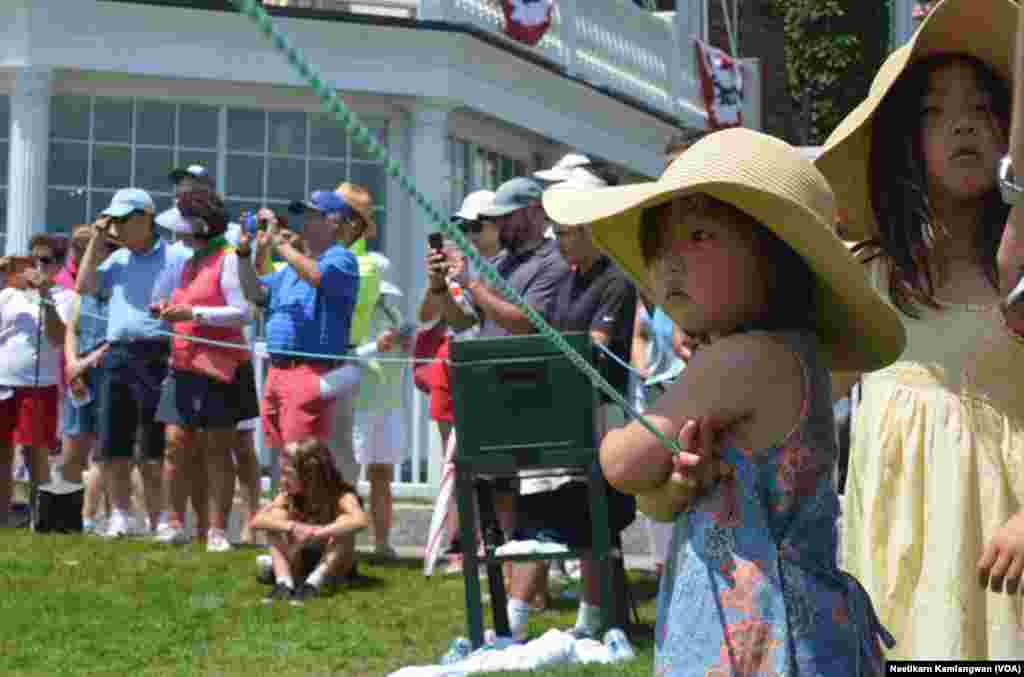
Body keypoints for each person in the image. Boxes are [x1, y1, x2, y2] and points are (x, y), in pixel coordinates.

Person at [545, 128, 906, 675]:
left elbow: (624, 464)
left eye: (698, 237)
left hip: (757, 635)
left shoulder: (737, 360)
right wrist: (679, 483)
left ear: (776, 257)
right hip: (806, 625)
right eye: (660, 243)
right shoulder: (795, 354)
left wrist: (613, 439)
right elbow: (672, 494)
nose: (668, 262)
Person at [815, 0, 1024, 659]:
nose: (961, 124)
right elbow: (804, 384)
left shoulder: (1020, 277)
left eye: (982, 108)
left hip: (1004, 547)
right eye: (934, 111)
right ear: (906, 144)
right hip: (897, 549)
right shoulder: (870, 278)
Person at [502, 166, 639, 640]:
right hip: (555, 412)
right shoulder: (565, 280)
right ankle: (514, 620)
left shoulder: (618, 281)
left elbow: (596, 348)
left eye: (568, 233)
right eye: (556, 233)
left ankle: (591, 622)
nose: (559, 242)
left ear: (594, 230)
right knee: (537, 518)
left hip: (601, 415)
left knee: (592, 522)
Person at [76, 188, 191, 538]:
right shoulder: (117, 258)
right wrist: (97, 238)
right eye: (114, 221)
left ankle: (160, 520)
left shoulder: (177, 256)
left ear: (144, 218)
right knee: (113, 444)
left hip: (158, 353)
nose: (118, 228)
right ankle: (120, 516)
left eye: (123, 220)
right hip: (118, 355)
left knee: (155, 448)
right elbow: (84, 286)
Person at [152, 190, 256, 552]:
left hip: (219, 367)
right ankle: (174, 522)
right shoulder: (189, 262)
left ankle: (216, 531)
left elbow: (242, 312)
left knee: (217, 449)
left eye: (183, 224)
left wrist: (192, 314)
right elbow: (185, 305)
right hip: (182, 364)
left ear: (199, 226)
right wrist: (168, 308)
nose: (177, 232)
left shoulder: (227, 259)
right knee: (174, 444)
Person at [236, 190, 360, 459]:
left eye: (313, 215)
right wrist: (243, 252)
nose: (305, 221)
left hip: (310, 371)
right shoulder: (291, 268)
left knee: (302, 460)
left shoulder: (341, 258)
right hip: (279, 372)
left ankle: (301, 502)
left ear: (334, 222)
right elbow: (254, 293)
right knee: (284, 460)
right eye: (304, 215)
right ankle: (285, 502)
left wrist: (279, 244)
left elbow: (317, 276)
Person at [418, 189, 494, 572]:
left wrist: (462, 282)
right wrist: (436, 283)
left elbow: (468, 320)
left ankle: (486, 544)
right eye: (460, 225)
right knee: (455, 464)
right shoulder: (453, 267)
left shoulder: (498, 267)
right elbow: (428, 316)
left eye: (474, 225)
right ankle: (460, 544)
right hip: (453, 363)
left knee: (487, 464)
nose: (466, 233)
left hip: (486, 366)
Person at [249, 438, 369, 605]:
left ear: (310, 474)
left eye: (287, 474)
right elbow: (256, 520)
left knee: (345, 523)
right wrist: (293, 527)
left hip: (334, 562)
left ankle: (313, 584)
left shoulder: (341, 495)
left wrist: (317, 532)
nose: (282, 480)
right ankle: (283, 583)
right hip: (300, 560)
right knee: (275, 518)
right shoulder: (288, 495)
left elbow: (361, 520)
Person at [0, 254, 68, 528]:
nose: (36, 268)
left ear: (56, 265)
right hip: (4, 381)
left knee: (35, 450)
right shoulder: (7, 295)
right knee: (2, 450)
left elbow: (57, 337)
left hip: (39, 385)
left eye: (45, 260)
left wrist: (45, 296)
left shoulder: (65, 297)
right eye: (32, 260)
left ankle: (40, 519)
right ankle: (3, 518)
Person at [327, 182, 382, 486]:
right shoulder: (317, 256)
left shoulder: (367, 265)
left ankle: (341, 522)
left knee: (339, 449)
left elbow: (321, 286)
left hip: (343, 361)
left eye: (332, 213)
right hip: (314, 359)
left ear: (353, 222)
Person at [352, 274, 411, 559]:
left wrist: (408, 342)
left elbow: (404, 353)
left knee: (382, 475)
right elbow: (348, 356)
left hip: (389, 405)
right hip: (358, 404)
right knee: (347, 475)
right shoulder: (353, 313)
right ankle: (342, 542)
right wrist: (378, 344)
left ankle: (382, 543)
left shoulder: (393, 312)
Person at [61, 226, 113, 534]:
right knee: (72, 449)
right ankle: (65, 512)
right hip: (79, 375)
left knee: (103, 451)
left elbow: (119, 332)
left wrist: (86, 362)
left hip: (106, 371)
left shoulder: (116, 284)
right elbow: (72, 330)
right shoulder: (81, 291)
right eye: (78, 248)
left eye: (91, 247)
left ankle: (93, 516)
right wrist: (73, 365)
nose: (83, 254)